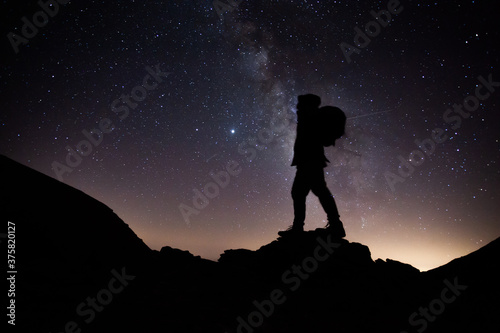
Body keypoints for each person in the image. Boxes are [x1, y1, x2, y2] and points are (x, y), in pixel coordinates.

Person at [278, 94, 346, 238]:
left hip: (310, 161)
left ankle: (301, 228)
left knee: (305, 192)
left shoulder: (310, 116)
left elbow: (313, 138)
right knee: (314, 191)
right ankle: (334, 225)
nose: (297, 107)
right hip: (309, 160)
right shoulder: (309, 116)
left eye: (300, 104)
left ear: (306, 104)